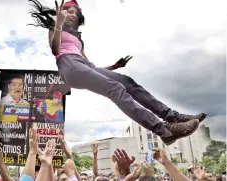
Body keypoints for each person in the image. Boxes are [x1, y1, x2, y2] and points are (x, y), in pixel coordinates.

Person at [28, 0, 206, 145]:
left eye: (76, 12)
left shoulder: (78, 39)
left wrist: (113, 67)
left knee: (126, 82)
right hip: (69, 66)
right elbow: (55, 49)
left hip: (82, 66)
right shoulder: (54, 28)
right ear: (62, 13)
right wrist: (58, 24)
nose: (73, 14)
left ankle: (173, 117)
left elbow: (90, 67)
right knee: (115, 88)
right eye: (69, 11)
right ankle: (163, 130)